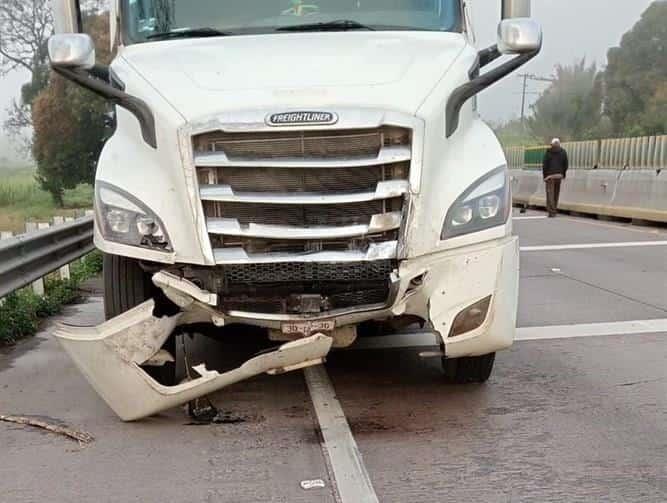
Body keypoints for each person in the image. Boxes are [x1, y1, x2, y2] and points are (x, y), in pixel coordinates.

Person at [542, 138, 569, 217]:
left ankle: (552, 211)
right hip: (559, 176)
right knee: (556, 194)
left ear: (552, 144)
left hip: (550, 177)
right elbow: (566, 164)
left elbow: (545, 165)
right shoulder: (563, 152)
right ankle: (554, 209)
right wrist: (563, 174)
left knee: (550, 194)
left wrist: (545, 176)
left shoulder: (548, 152)